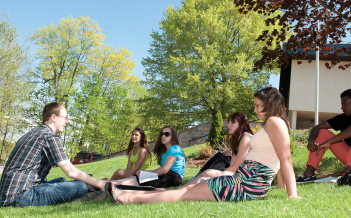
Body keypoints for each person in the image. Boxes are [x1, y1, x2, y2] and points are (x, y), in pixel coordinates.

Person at [105, 87, 298, 204]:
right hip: (244, 178)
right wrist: (281, 187)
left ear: (269, 103)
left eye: (257, 105)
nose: (255, 109)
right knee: (186, 191)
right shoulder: (275, 124)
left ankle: (128, 197)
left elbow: (285, 158)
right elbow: (278, 160)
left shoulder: (274, 122)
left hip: (248, 182)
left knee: (182, 194)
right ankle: (129, 193)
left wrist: (292, 194)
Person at [0, 102, 106, 207]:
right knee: (81, 186)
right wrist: (100, 184)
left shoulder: (33, 133)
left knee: (61, 181)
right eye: (65, 117)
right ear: (54, 117)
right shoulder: (49, 137)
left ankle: (88, 185)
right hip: (18, 196)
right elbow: (70, 171)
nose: (67, 121)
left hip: (8, 193)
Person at [296, 89, 351, 183]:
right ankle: (309, 173)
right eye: (341, 104)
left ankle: (348, 173)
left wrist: (329, 142)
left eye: (345, 104)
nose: (342, 107)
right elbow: (317, 127)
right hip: (348, 156)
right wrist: (311, 141)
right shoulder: (342, 118)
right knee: (322, 132)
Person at [184, 112, 253, 186]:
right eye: (228, 122)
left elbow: (236, 168)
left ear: (242, 125)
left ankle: (197, 180)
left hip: (245, 177)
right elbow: (232, 165)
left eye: (232, 123)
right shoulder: (238, 139)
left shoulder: (246, 138)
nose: (228, 125)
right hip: (236, 172)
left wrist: (216, 173)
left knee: (208, 172)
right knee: (221, 154)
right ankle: (195, 179)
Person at [110, 126, 185, 188]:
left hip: (173, 177)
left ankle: (110, 185)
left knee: (138, 181)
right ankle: (107, 184)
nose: (163, 136)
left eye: (167, 134)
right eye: (162, 134)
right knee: (136, 179)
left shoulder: (175, 148)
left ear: (173, 136)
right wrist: (145, 172)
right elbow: (161, 169)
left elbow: (164, 170)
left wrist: (147, 174)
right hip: (166, 175)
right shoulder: (165, 152)